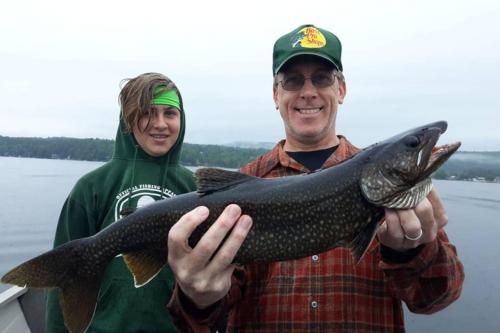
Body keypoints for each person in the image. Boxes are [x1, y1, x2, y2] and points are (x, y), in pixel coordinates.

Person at [166, 25, 465, 333]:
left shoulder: (400, 194)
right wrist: (196, 296)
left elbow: (436, 298)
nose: (308, 92)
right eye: (293, 80)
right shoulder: (241, 189)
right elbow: (197, 323)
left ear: (342, 89)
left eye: (322, 78)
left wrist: (413, 252)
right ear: (275, 94)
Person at [45, 72, 196, 333]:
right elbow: (63, 279)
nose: (160, 123)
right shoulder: (92, 187)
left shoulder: (196, 188)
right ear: (127, 119)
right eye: (148, 112)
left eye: (170, 113)